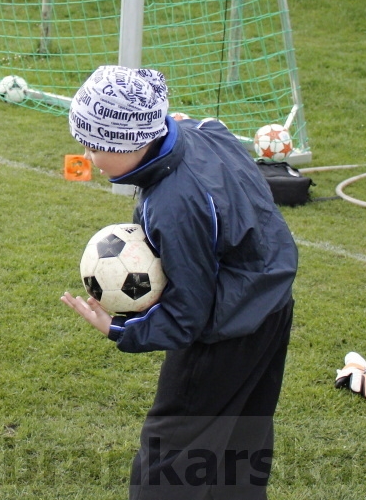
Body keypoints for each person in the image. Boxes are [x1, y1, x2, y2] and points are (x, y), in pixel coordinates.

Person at [61, 65, 297, 499]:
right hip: (271, 306)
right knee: (243, 439)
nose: (91, 158)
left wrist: (118, 328)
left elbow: (190, 314)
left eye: (95, 146)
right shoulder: (206, 131)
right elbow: (194, 128)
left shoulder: (174, 204)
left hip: (226, 333)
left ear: (129, 139)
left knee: (173, 451)